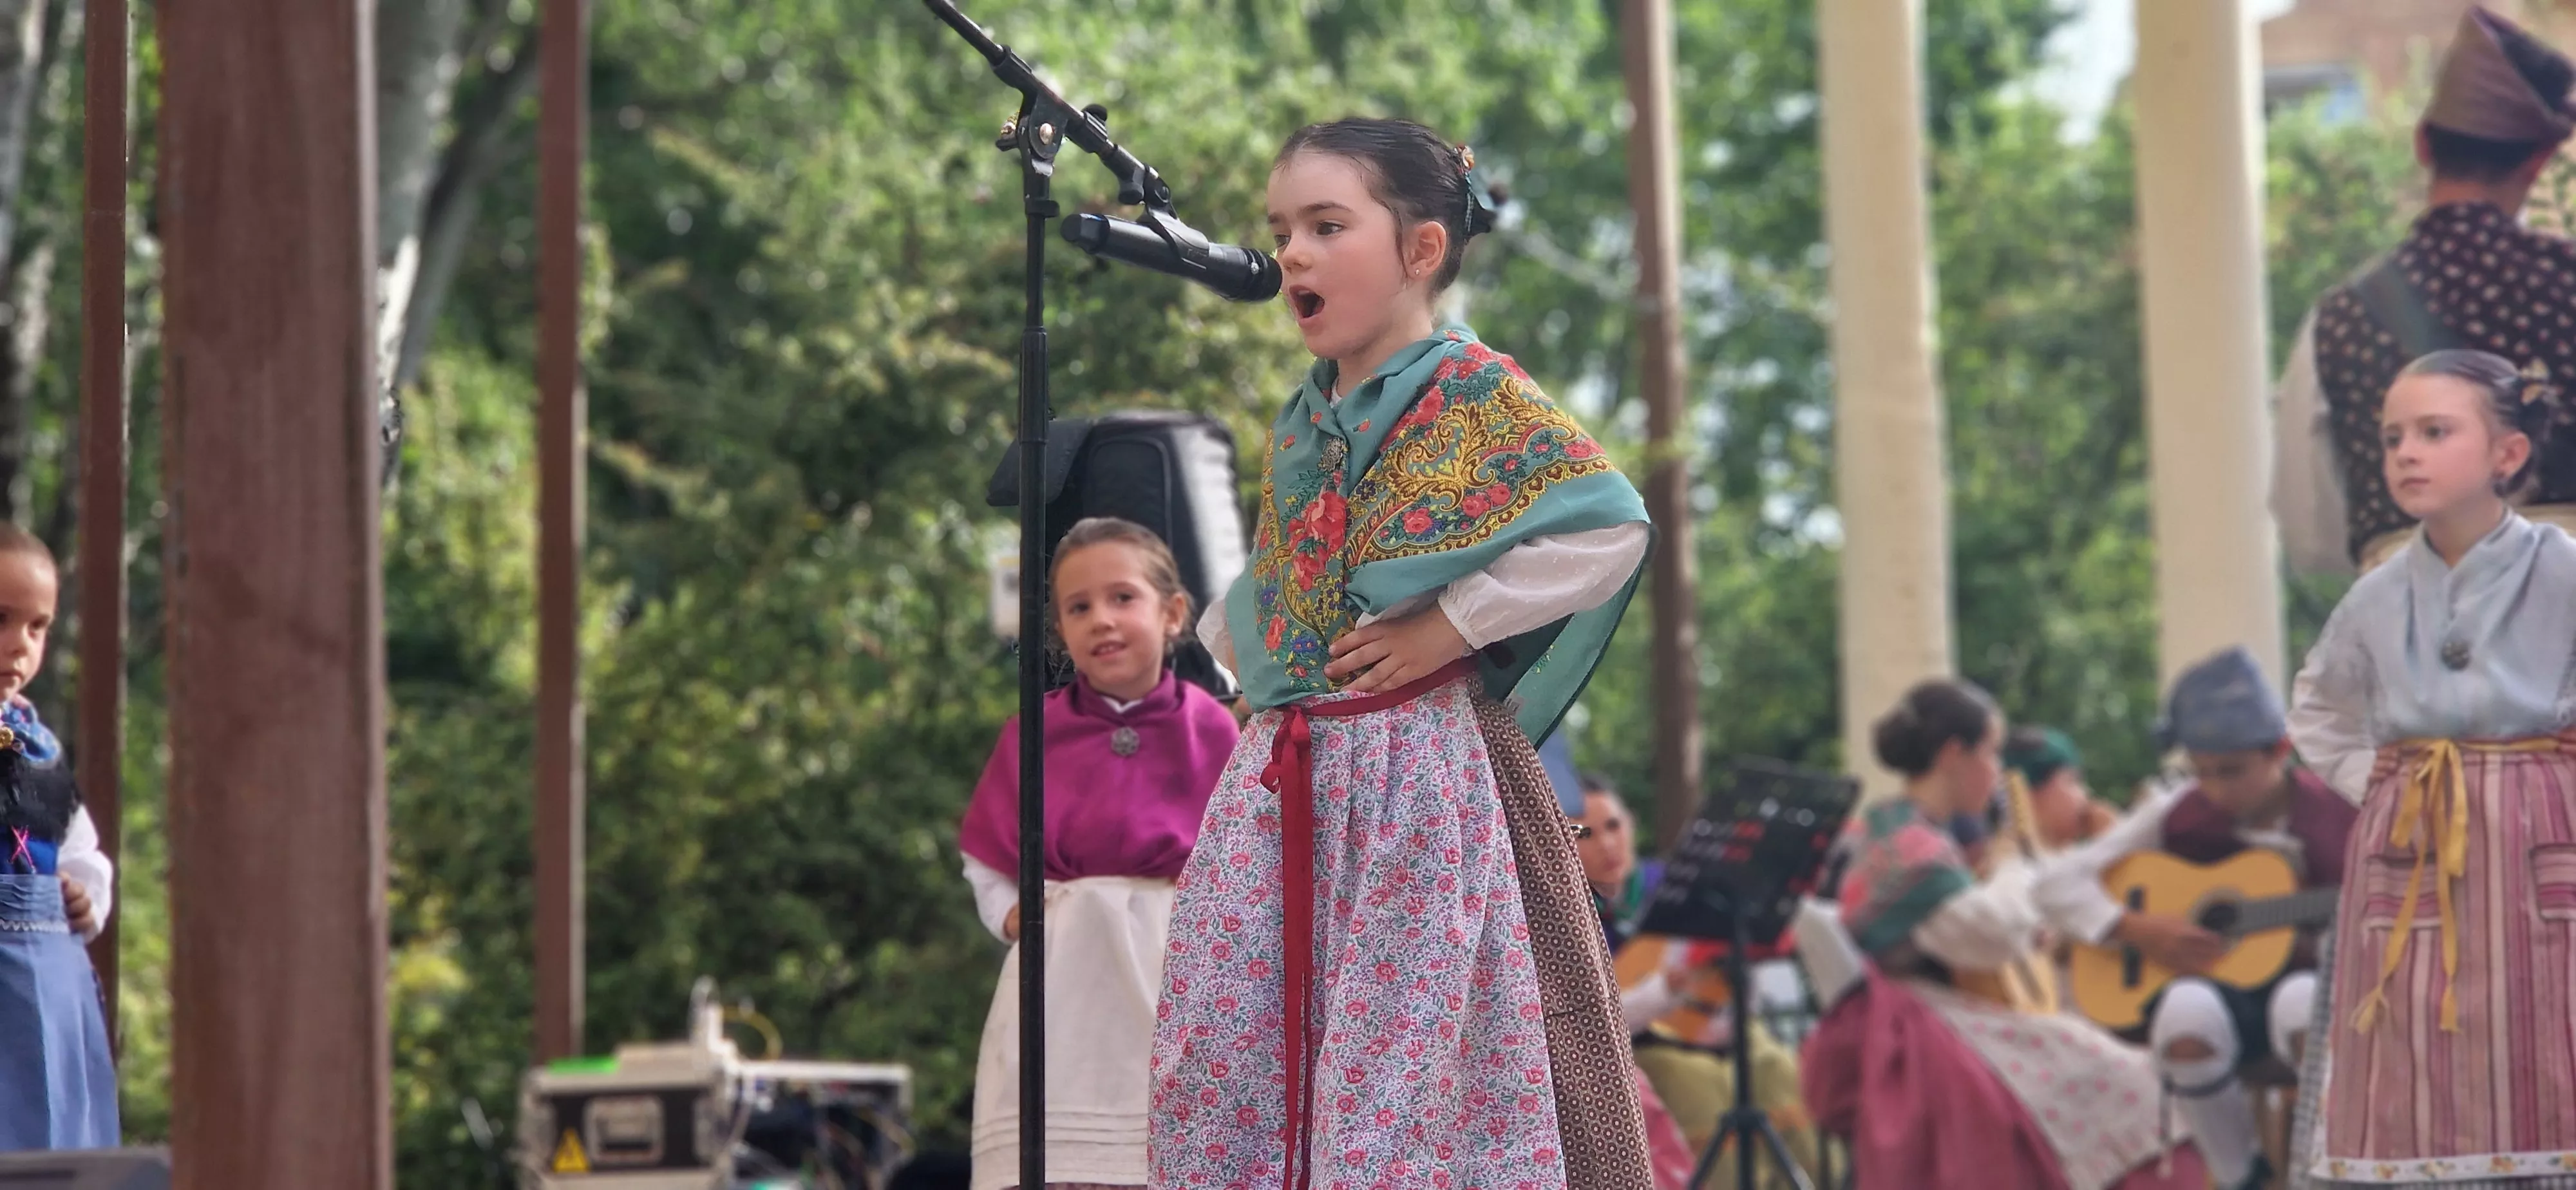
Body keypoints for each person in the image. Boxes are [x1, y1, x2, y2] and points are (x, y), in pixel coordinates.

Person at [1147, 116, 1655, 1190]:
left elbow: (1607, 524)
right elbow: (1294, 575)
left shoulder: (1472, 392)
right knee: (1232, 1051)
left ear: (1422, 249)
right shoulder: (1307, 415)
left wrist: (1451, 622)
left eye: (1327, 225)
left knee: (1398, 1075)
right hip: (1290, 770)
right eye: (1282, 229)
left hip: (1411, 782)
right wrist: (1253, 658)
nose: (1291, 253)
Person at [2287, 350, 2576, 1186]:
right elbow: (2318, 707)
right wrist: (2379, 787)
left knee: (2549, 1044)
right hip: (2413, 844)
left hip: (2540, 843)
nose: (2406, 453)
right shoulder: (2377, 596)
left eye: (2434, 432)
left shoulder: (2561, 569)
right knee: (2414, 1049)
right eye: (2392, 438)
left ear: (2506, 455)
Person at [1801, 678, 2206, 1190]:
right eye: (1991, 753)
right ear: (1955, 754)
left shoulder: (1907, 830)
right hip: (1916, 1031)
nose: (1998, 774)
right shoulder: (1908, 843)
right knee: (2138, 1086)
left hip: (1933, 1014)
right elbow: (1986, 934)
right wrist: (2017, 867)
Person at [957, 518, 1242, 1190]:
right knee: (1059, 1158)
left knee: (1169, 1155)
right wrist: (1012, 918)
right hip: (1063, 979)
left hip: (1175, 973)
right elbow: (987, 857)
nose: (1101, 621)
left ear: (1172, 613)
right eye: (1078, 608)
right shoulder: (1035, 730)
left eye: (1122, 598)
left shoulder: (1210, 726)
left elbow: (1245, 858)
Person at [2031, 647, 2358, 1190]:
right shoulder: (2177, 811)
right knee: (2182, 1015)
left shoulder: (2340, 810)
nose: (2214, 790)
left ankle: (2325, 1171)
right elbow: (2054, 884)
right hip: (2220, 994)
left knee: (2303, 1005)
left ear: (2280, 749)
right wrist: (2134, 928)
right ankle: (2239, 1176)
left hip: (2311, 988)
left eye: (2232, 772)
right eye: (2201, 772)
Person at [2273, 5, 2576, 576]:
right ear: (2538, 162)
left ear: (2422, 145)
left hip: (2413, 639)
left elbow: (2310, 534)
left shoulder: (2341, 315)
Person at [1580, 779, 1818, 1190]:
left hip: (1725, 1027)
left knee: (1776, 1068)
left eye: (1614, 826)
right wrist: (1665, 991)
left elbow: (1736, 976)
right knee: (1698, 1087)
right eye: (1587, 832)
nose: (1607, 844)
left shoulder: (1676, 884)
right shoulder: (1567, 916)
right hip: (1648, 1048)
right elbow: (1599, 1019)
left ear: (1632, 826)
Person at [0, 525, 117, 1151]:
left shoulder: (38, 747)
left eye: (38, 627)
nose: (20, 645)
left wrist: (84, 894)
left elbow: (78, 848)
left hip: (47, 980)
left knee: (53, 1139)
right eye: (1, 618)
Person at [2003, 726, 2117, 849]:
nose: (2085, 794)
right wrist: (2114, 840)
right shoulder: (2009, 863)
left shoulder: (2067, 855)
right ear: (2029, 792)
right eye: (2073, 781)